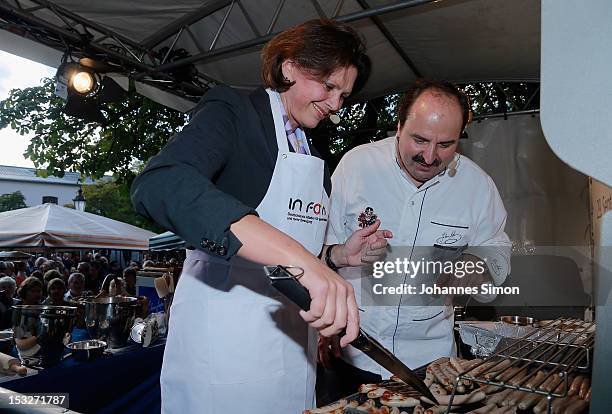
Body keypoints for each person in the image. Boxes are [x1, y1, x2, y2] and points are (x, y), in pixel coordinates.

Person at [131, 19, 391, 414]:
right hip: (225, 341)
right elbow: (160, 185)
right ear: (290, 67)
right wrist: (301, 259)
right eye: (330, 87)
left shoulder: (313, 153)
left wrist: (335, 257)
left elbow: (298, 257)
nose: (337, 104)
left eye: (344, 94)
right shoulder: (234, 112)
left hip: (292, 347)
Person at [318, 79, 512, 401]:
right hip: (352, 349)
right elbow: (321, 250)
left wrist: (475, 267)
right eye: (419, 140)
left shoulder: (477, 187)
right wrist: (322, 323)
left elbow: (497, 248)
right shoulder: (357, 166)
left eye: (446, 145)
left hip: (431, 362)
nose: (430, 156)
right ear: (398, 126)